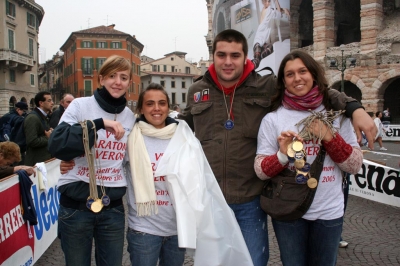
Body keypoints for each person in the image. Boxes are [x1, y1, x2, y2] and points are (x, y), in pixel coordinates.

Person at [178, 29, 376, 266]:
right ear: (213, 56)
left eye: (235, 55)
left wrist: (355, 108)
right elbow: (181, 128)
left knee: (254, 261)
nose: (228, 62)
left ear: (245, 57)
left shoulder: (267, 85)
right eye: (221, 55)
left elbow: (316, 90)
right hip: (209, 198)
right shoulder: (197, 91)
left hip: (249, 198)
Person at [254, 50, 363, 265]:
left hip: (329, 211)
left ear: (313, 74)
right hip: (289, 211)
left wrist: (329, 137)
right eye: (290, 74)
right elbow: (260, 170)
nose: (297, 78)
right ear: (283, 81)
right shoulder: (273, 119)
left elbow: (354, 165)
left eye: (302, 71)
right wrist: (282, 155)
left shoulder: (338, 114)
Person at [125, 83, 252, 266]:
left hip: (177, 229)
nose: (156, 108)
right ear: (141, 108)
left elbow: (197, 178)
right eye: (150, 103)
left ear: (168, 107)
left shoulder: (183, 136)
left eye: (162, 103)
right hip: (143, 229)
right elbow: (110, 166)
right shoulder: (131, 138)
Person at [48, 55, 135, 266]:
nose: (118, 82)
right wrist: (98, 123)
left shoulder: (130, 116)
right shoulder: (80, 105)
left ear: (129, 83)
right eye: (112, 76)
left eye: (124, 77)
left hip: (112, 209)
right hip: (76, 208)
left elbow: (131, 158)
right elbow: (57, 144)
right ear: (101, 79)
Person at [252, 0, 290, 69]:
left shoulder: (268, 10)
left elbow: (276, 11)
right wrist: (278, 3)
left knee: (270, 48)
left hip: (264, 43)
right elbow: (278, 14)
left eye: (269, 1)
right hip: (258, 41)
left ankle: (259, 55)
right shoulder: (267, 10)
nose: (267, 3)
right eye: (265, 1)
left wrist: (283, 9)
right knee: (256, 62)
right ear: (263, 2)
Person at [24, 92, 54, 166]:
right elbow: (32, 141)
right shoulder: (33, 118)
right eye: (49, 101)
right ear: (41, 103)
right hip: (36, 163)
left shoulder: (42, 117)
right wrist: (48, 137)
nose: (52, 103)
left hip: (42, 161)